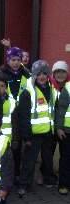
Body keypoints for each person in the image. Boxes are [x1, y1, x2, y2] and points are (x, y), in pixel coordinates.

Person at [18, 60, 58, 197]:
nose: (42, 76)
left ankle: (49, 179)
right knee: (29, 161)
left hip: (48, 132)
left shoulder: (52, 89)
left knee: (47, 159)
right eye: (39, 74)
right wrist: (26, 136)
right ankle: (24, 184)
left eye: (44, 73)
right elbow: (23, 116)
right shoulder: (28, 92)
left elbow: (54, 110)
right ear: (34, 75)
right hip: (33, 134)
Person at [0, 47, 30, 183]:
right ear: (8, 60)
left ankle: (15, 174)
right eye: (13, 60)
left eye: (18, 60)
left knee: (17, 145)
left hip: (21, 110)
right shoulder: (1, 73)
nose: (15, 62)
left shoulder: (25, 74)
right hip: (7, 109)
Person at [54, 62, 70, 195]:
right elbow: (61, 110)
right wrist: (59, 128)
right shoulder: (68, 88)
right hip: (66, 130)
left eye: (63, 71)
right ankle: (63, 184)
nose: (60, 74)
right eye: (58, 71)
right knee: (65, 158)